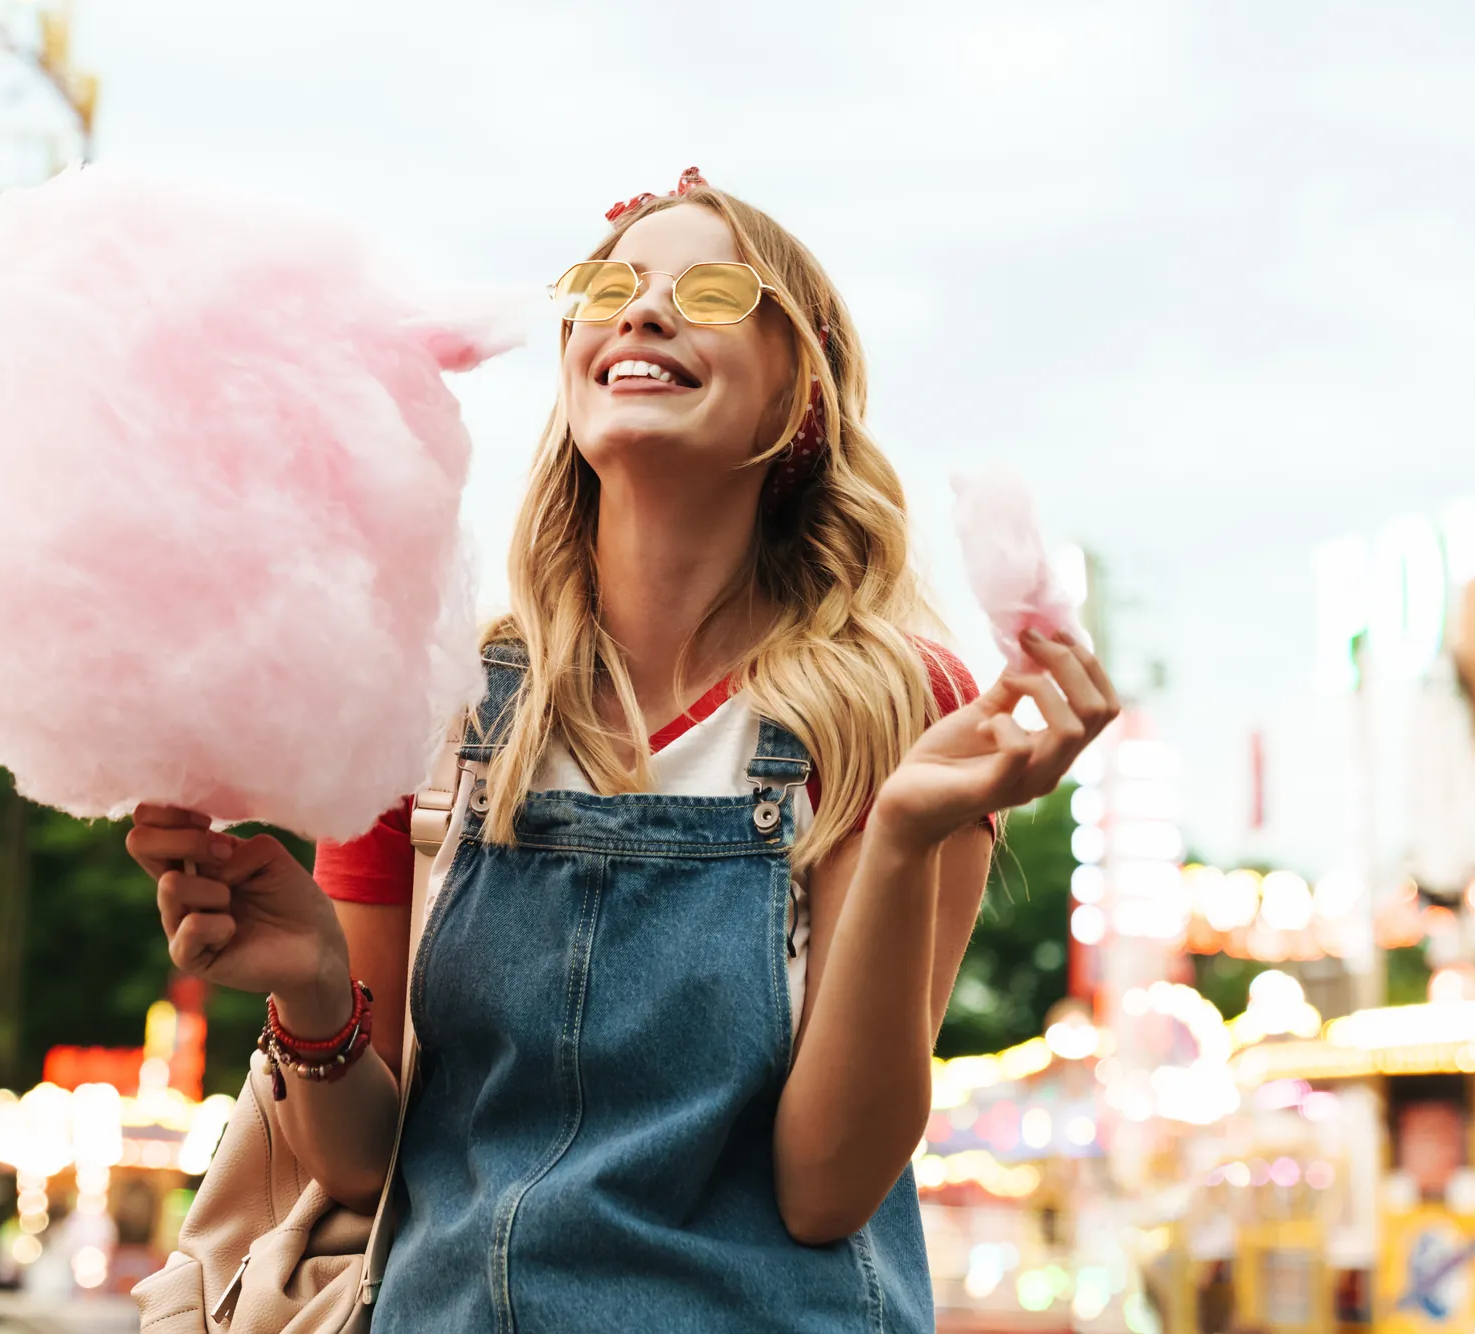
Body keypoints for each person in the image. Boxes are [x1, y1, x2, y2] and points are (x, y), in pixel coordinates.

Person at [127, 168, 1118, 1331]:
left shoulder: (893, 708)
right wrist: (307, 986)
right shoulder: (421, 699)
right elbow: (361, 1167)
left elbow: (826, 1187)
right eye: (608, 287)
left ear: (794, 392)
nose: (641, 311)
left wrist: (904, 834)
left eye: (707, 290)